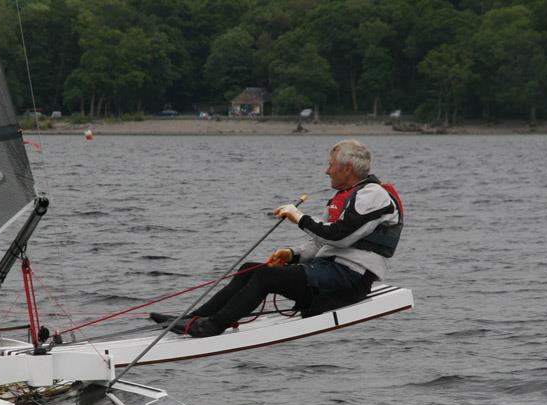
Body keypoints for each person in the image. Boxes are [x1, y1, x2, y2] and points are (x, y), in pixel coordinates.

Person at [152, 139, 403, 338]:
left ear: (347, 169)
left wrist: (299, 217)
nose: (327, 171)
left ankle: (212, 327)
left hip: (350, 280)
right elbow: (321, 242)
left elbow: (339, 237)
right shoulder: (347, 195)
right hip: (330, 271)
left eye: (331, 165)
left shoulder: (373, 195)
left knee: (266, 276)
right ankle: (193, 319)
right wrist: (293, 253)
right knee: (249, 270)